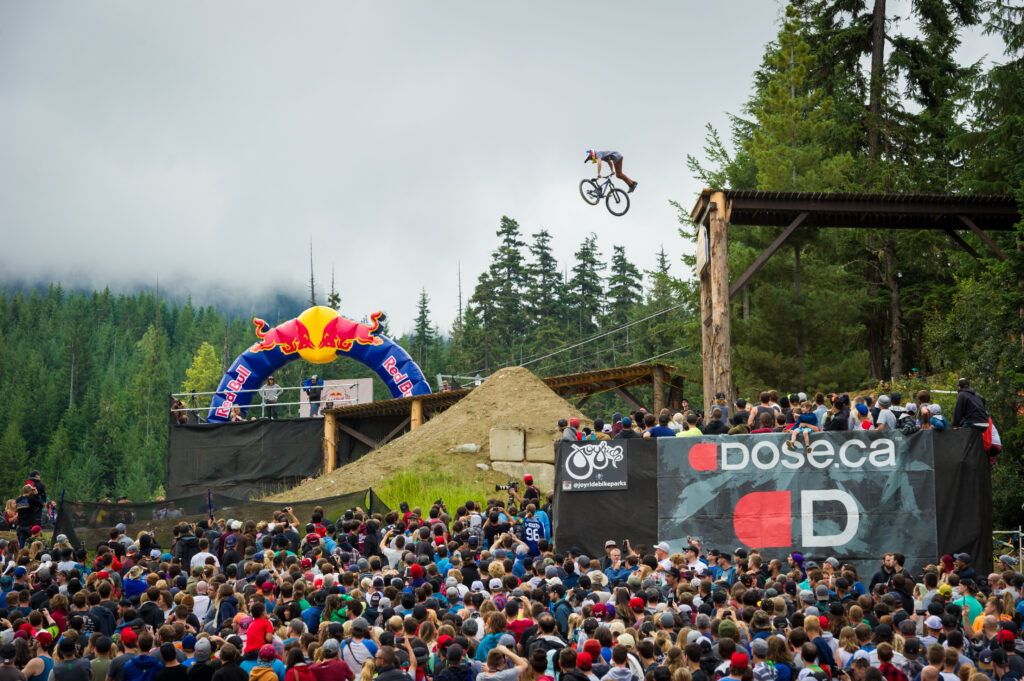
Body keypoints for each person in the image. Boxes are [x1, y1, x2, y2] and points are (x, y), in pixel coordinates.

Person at [14, 484, 43, 548]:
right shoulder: (31, 499)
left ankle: (21, 555)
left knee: (21, 544)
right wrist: (36, 495)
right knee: (31, 543)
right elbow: (40, 505)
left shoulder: (18, 499)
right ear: (30, 491)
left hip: (20, 525)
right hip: (29, 525)